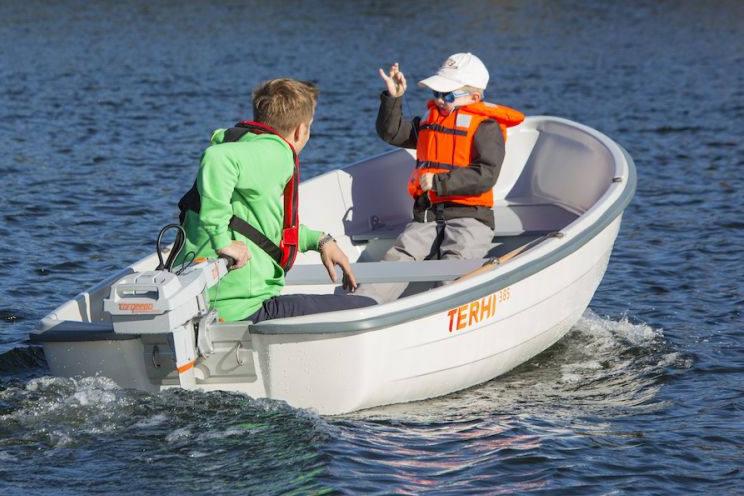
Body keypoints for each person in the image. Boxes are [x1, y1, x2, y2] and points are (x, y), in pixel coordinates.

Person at [175, 78, 376, 323]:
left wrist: (320, 240)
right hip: (242, 309)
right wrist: (221, 240)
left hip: (199, 306)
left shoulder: (245, 145)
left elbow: (262, 226)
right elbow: (217, 159)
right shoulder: (277, 152)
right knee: (369, 307)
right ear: (301, 129)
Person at [354, 53, 525, 304]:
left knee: (455, 269)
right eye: (436, 93)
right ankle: (361, 306)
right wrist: (394, 98)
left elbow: (486, 175)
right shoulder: (428, 120)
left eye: (447, 95)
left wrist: (438, 181)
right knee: (399, 257)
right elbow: (392, 132)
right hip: (428, 216)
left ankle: (441, 313)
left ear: (474, 97)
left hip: (471, 219)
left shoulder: (486, 128)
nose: (439, 100)